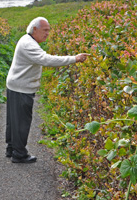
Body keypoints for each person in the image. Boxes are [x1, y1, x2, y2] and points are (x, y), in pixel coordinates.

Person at [5, 17, 90, 163]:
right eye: (45, 30)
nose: (47, 34)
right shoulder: (28, 45)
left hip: (16, 84)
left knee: (14, 120)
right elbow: (46, 60)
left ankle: (11, 148)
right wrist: (74, 59)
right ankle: (19, 154)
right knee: (21, 122)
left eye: (49, 31)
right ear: (35, 29)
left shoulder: (27, 40)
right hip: (21, 88)